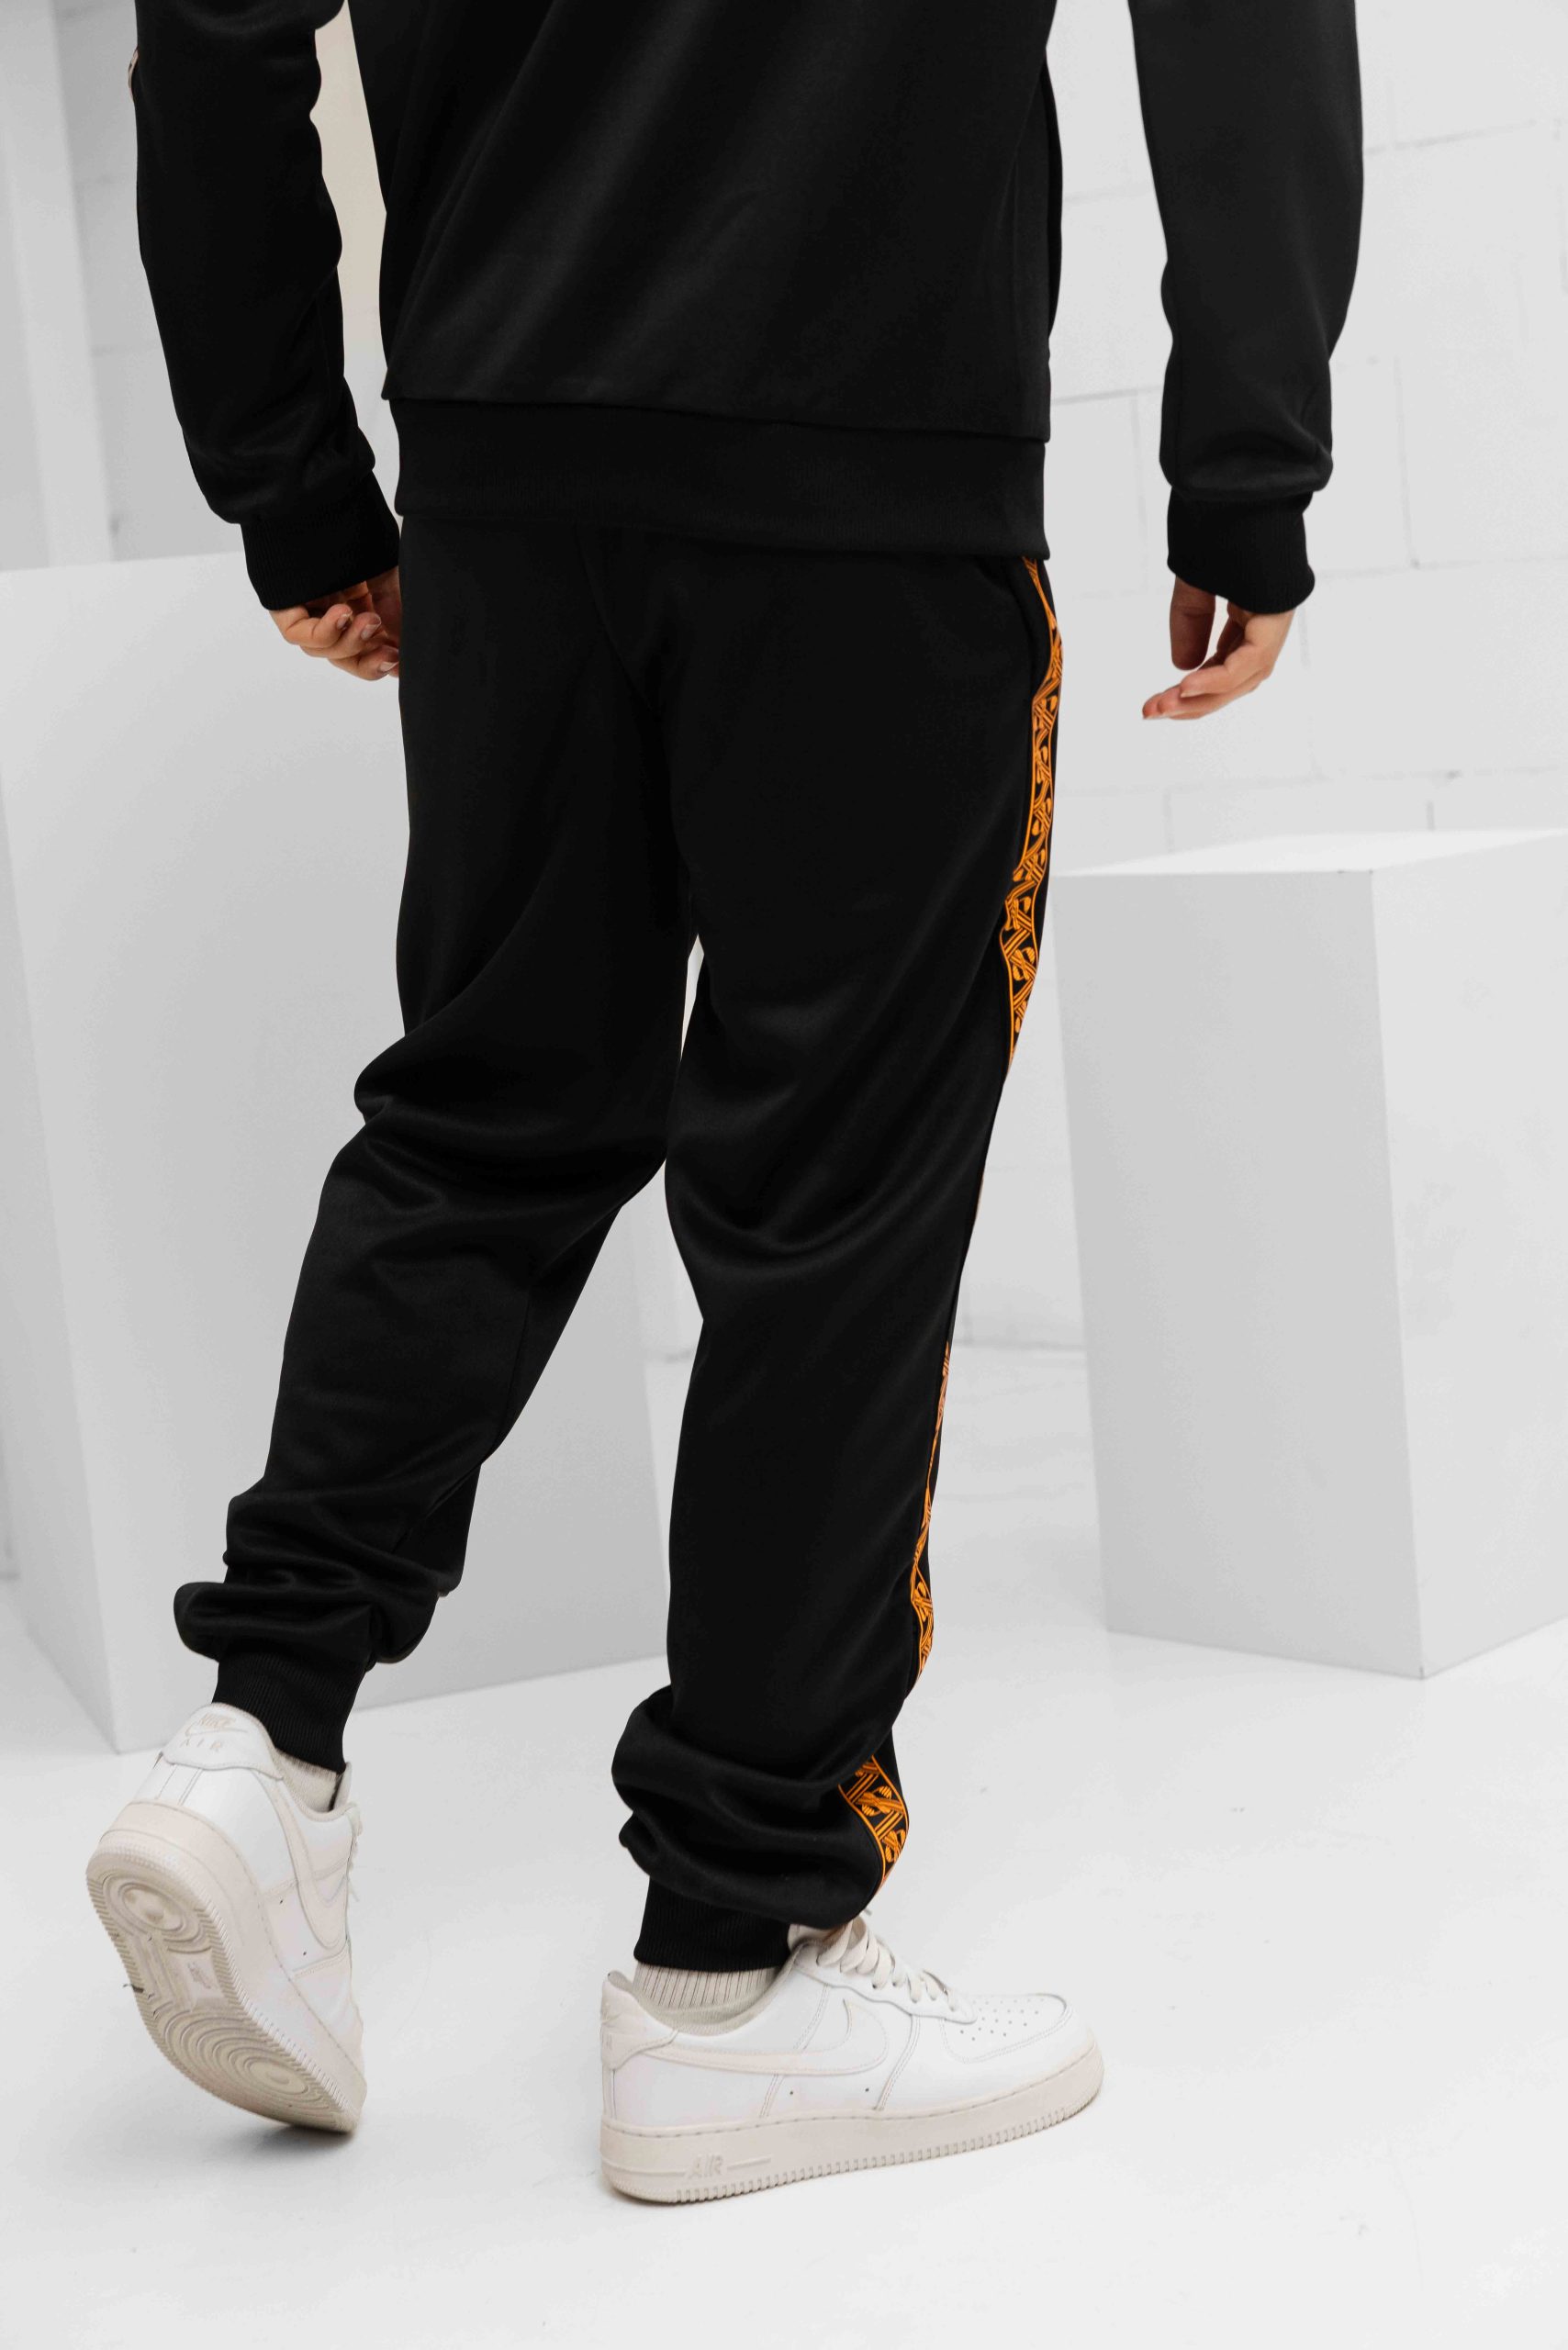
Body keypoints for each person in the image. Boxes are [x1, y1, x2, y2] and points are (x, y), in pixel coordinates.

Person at [85, 0, 1361, 2200]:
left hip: (507, 454)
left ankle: (256, 1742)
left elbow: (212, 25)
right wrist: (1244, 449)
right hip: (865, 448)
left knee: (486, 1110)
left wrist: (291, 473)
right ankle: (733, 1966)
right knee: (832, 1194)